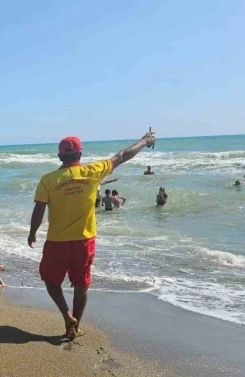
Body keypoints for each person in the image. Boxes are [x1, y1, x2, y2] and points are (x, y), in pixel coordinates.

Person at [27, 131, 155, 340]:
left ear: (60, 157)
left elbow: (39, 210)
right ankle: (73, 328)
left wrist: (32, 233)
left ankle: (67, 317)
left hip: (57, 241)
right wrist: (145, 140)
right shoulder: (93, 171)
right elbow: (122, 156)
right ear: (80, 155)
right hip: (84, 241)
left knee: (51, 281)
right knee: (81, 285)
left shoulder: (48, 180)